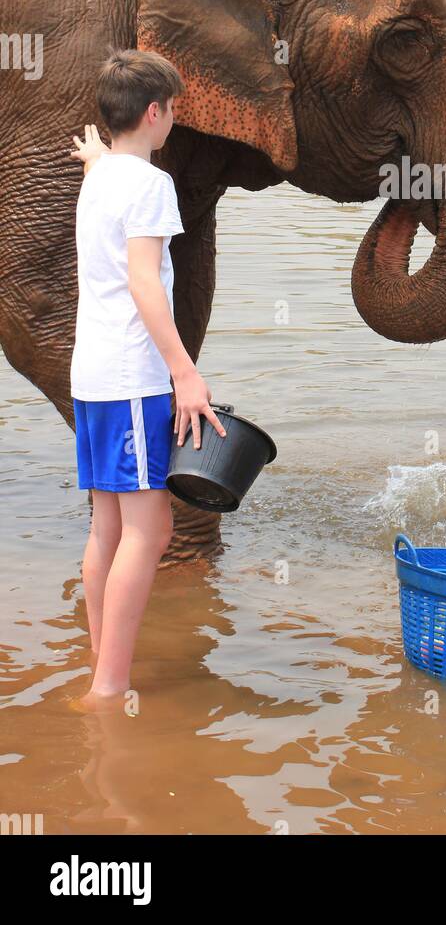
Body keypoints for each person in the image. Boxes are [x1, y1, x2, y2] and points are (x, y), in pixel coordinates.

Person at [69, 49, 225, 706]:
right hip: (133, 378)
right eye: (174, 112)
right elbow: (143, 283)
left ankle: (101, 667)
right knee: (151, 531)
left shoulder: (102, 177)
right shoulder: (152, 185)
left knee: (107, 527)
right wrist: (184, 373)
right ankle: (109, 687)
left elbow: (110, 169)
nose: (175, 124)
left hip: (92, 377)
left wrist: (96, 158)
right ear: (155, 113)